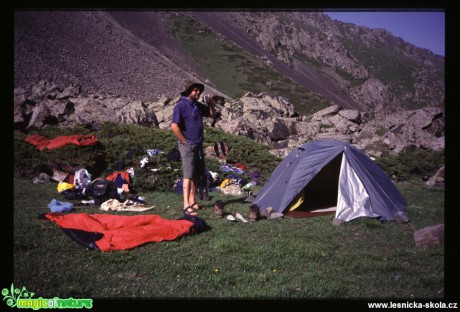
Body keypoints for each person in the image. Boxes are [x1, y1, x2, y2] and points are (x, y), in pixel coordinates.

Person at [170, 82, 216, 216]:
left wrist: (211, 103)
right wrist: (184, 142)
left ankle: (192, 201)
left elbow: (212, 114)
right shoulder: (181, 105)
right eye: (195, 90)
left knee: (196, 173)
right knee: (188, 175)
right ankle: (186, 205)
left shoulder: (196, 105)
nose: (198, 93)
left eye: (199, 91)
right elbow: (174, 126)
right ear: (188, 90)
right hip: (188, 145)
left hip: (198, 144)